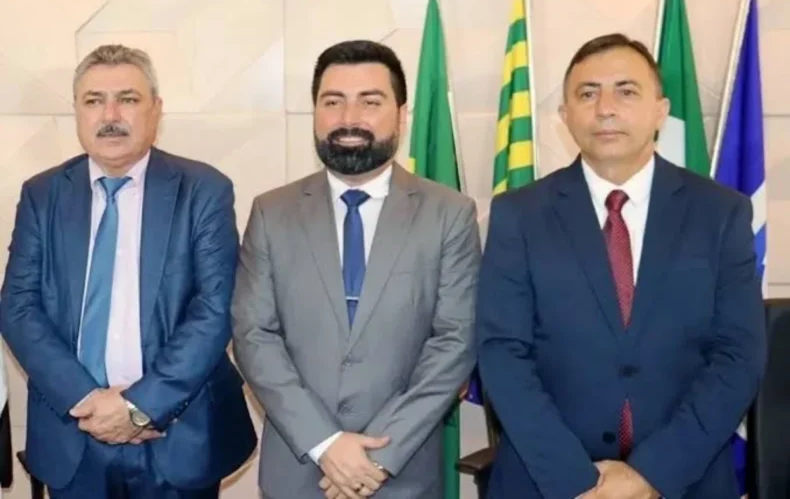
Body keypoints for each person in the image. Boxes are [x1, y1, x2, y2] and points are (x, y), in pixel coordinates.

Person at [476, 33, 766, 499]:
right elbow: (502, 353)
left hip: (683, 480)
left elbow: (738, 355)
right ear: (565, 115)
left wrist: (651, 474)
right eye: (587, 93)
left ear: (661, 110)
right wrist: (576, 481)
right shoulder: (519, 215)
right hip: (548, 481)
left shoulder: (720, 213)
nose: (605, 108)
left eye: (626, 91)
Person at [0, 44, 256, 498]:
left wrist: (140, 407)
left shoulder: (203, 190)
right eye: (93, 100)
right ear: (76, 111)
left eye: (128, 99)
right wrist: (86, 400)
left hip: (176, 434)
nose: (110, 115)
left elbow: (215, 309)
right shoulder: (42, 195)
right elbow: (18, 308)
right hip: (74, 434)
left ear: (156, 109)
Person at [231, 39, 480, 499]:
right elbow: (253, 336)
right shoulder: (271, 212)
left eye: (370, 101)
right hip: (299, 471)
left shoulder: (450, 214)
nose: (349, 118)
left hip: (401, 473)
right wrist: (325, 443)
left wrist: (377, 457)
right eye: (333, 101)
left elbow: (454, 342)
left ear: (401, 115)